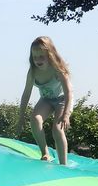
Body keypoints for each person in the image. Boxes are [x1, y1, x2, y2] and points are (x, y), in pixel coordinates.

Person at [17, 37, 73, 165]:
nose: (38, 60)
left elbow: (69, 92)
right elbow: (26, 94)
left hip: (63, 100)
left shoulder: (58, 70)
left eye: (42, 56)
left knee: (57, 129)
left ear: (50, 55)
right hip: (46, 100)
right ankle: (45, 153)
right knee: (35, 119)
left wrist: (66, 114)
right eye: (35, 57)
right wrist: (21, 117)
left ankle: (63, 164)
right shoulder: (33, 72)